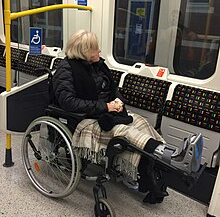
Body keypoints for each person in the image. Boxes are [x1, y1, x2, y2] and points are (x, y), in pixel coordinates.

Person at [53, 29, 202, 204]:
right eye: (95, 49)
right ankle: (174, 158)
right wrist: (106, 106)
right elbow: (69, 103)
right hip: (82, 118)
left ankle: (167, 155)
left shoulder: (98, 65)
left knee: (141, 122)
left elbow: (113, 88)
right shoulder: (66, 70)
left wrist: (117, 101)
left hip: (105, 111)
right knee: (126, 134)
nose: (100, 51)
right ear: (84, 52)